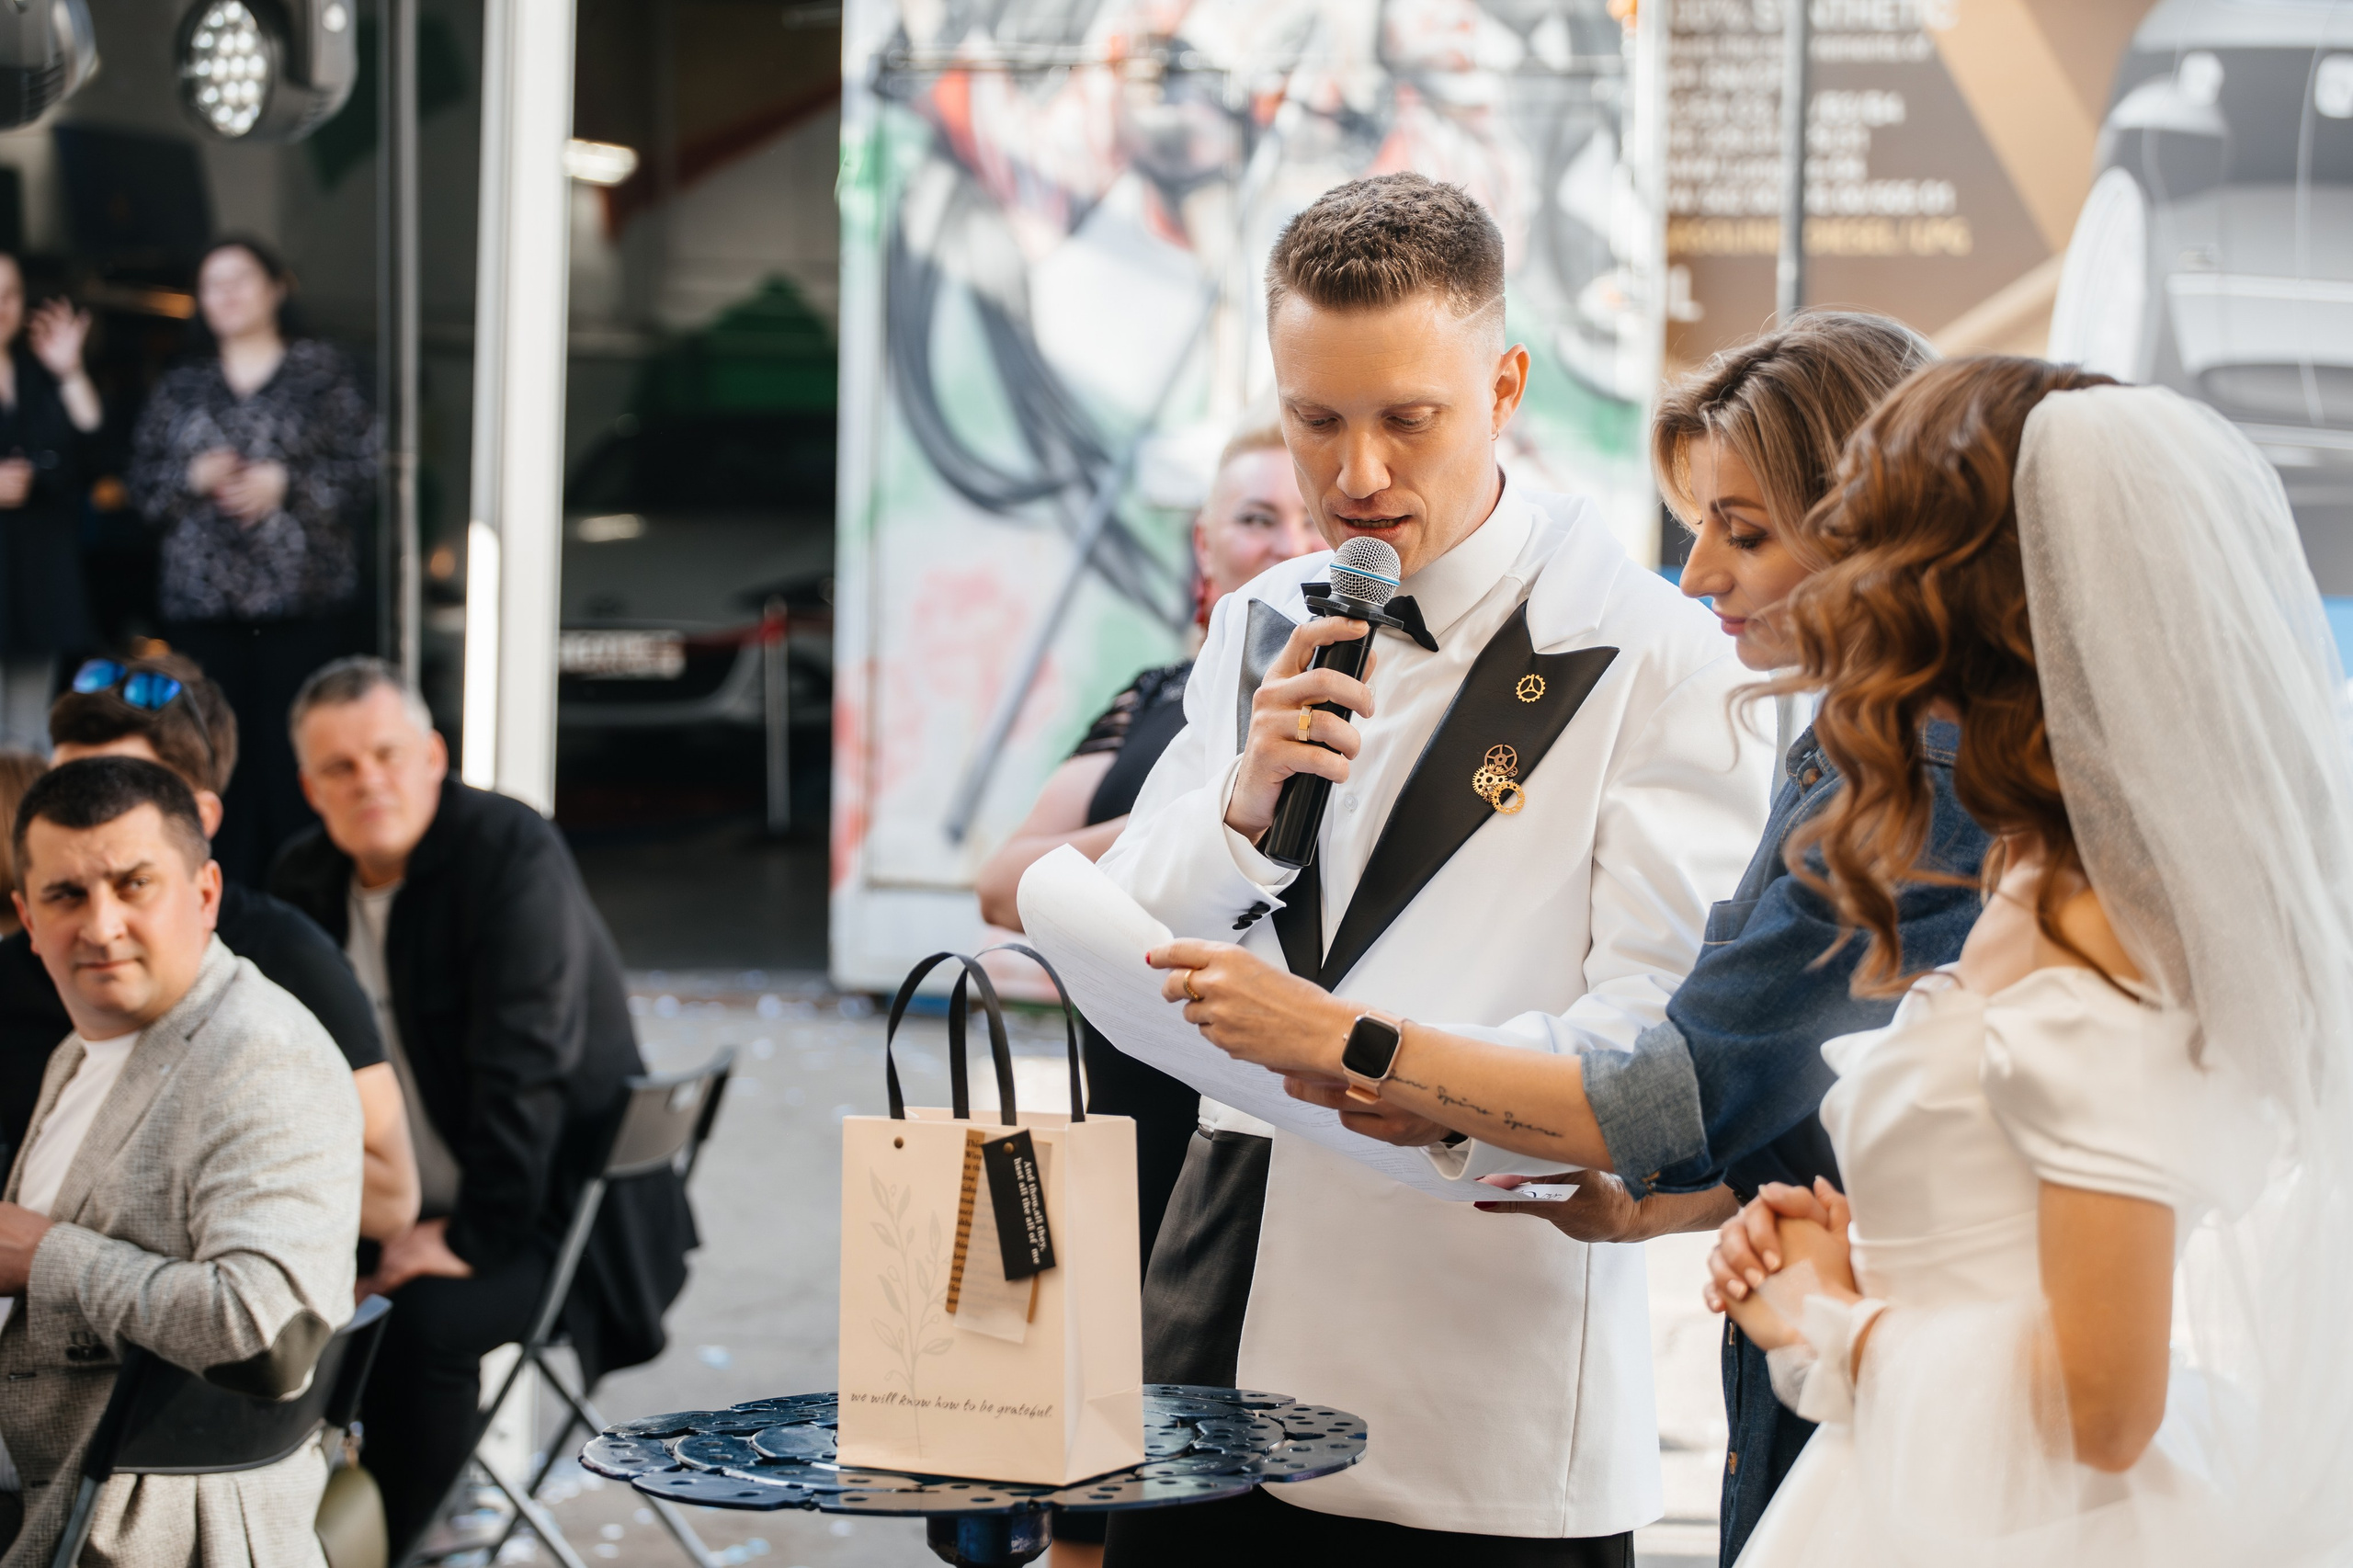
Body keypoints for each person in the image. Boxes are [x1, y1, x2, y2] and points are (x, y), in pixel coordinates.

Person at [1161, 312, 1992, 1564]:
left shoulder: (1914, 770)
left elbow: (1687, 1069)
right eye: (1316, 420)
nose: (1700, 572)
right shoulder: (1849, 747)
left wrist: (1352, 1043)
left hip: (1895, 1353)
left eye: (1743, 531)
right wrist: (1662, 1205)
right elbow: (1778, 1068)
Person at [1096, 173, 1771, 1564]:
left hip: (1474, 1380)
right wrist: (1238, 799)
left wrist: (1401, 1073)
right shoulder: (1265, 620)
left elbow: (1660, 1040)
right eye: (1316, 420)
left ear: (1507, 381)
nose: (1355, 475)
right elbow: (1145, 933)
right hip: (1217, 1330)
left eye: (1409, 418)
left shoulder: (1654, 657)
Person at [1700, 364, 2353, 1566]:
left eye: (1874, 547)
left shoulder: (2090, 921)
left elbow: (2106, 1407)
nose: (1842, 585)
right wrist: (1870, 1241)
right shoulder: (2029, 870)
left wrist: (1828, 1322)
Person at [269, 656, 696, 1562]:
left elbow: (526, 1068)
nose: (368, 780)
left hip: (551, 1214)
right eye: (339, 767)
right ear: (310, 786)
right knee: (266, 1300)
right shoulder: (303, 882)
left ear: (432, 753)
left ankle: (382, 1542)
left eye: (386, 752)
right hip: (390, 1207)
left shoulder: (507, 850)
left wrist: (466, 1238)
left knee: (418, 1328)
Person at [0, 756, 361, 1562]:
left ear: (204, 894)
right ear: (28, 916)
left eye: (134, 885)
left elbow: (265, 1336)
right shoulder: (90, 1044)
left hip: (147, 1534)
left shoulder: (259, 1056)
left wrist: (46, 1257)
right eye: (66, 895)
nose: (100, 926)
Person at [977, 419, 1316, 1271]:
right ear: (1206, 546)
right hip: (1131, 1112)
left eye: (1310, 520)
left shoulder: (1367, 712)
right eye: (1256, 518)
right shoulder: (1155, 699)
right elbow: (1001, 883)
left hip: (1282, 1132)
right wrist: (1207, 811)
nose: (1288, 543)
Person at [0, 652, 420, 1238]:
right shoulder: (14, 971)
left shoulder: (283, 961)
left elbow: (390, 1198)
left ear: (199, 823)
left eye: (118, 798)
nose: (86, 830)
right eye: (61, 795)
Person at [127, 237, 377, 886]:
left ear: (276, 287)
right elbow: (141, 489)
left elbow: (366, 474)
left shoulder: (322, 373)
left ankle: (304, 893)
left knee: (293, 752)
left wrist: (287, 484)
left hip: (303, 601)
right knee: (212, 753)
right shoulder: (182, 384)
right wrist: (194, 475)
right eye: (212, 285)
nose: (227, 296)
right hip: (203, 606)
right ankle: (220, 893)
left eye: (240, 280)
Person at [0, 257, 102, 747]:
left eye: (8, 295)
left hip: (34, 583)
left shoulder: (39, 376)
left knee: (27, 737)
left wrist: (71, 371)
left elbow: (96, 451)